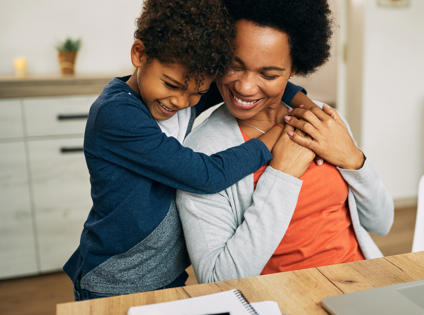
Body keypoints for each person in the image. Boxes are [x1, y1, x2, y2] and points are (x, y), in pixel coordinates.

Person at [64, 0, 313, 300]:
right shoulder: (116, 114)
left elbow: (247, 83)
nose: (181, 102)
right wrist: (279, 132)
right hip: (115, 281)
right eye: (171, 85)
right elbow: (206, 175)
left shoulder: (184, 86)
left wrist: (304, 105)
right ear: (139, 54)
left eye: (196, 92)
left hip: (169, 275)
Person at [176, 0, 394, 283]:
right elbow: (217, 279)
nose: (244, 86)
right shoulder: (203, 154)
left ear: (293, 70)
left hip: (363, 285)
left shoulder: (324, 123)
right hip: (286, 299)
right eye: (233, 65)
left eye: (268, 74)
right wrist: (282, 175)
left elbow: (382, 223)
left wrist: (353, 159)